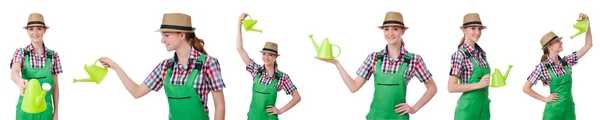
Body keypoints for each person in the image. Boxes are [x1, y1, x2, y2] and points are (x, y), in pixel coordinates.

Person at [98, 13, 226, 120]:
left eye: (166, 35)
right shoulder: (165, 66)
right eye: (162, 35)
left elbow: (219, 105)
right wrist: (115, 67)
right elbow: (136, 92)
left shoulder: (208, 63)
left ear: (182, 35)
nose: (162, 40)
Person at [316, 11, 437, 120]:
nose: (390, 33)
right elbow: (353, 87)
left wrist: (413, 109)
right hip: (375, 116)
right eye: (386, 29)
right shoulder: (373, 58)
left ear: (402, 31)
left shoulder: (414, 60)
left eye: (395, 29)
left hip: (398, 117)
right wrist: (336, 63)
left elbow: (432, 88)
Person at [522, 13, 592, 120]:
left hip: (569, 110)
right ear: (549, 46)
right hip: (553, 113)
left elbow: (588, 45)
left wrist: (587, 24)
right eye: (557, 41)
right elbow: (526, 88)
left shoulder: (567, 61)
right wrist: (545, 99)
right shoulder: (542, 67)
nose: (561, 42)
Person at [236, 13, 302, 120]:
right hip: (253, 117)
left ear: (276, 57)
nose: (266, 57)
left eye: (270, 55)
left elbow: (297, 97)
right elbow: (239, 48)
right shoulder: (256, 70)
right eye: (264, 54)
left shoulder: (282, 77)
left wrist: (280, 110)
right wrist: (239, 24)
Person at [11, 13, 63, 120]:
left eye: (39, 29)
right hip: (25, 111)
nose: (35, 33)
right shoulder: (21, 52)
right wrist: (20, 82)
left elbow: (55, 87)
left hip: (46, 111)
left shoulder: (53, 55)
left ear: (44, 30)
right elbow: (14, 72)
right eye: (31, 29)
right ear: (27, 31)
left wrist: (56, 112)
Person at [447, 13, 492, 120]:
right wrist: (479, 84)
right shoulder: (459, 55)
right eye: (473, 28)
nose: (477, 32)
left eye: (479, 29)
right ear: (464, 30)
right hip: (467, 111)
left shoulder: (482, 54)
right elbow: (451, 87)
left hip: (484, 107)